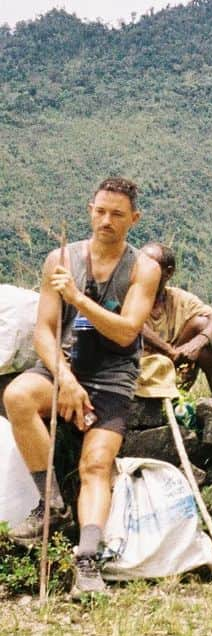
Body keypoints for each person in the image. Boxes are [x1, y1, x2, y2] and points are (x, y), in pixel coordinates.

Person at [4, 176, 161, 599]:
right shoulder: (60, 259)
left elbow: (127, 333)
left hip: (112, 376)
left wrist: (78, 297)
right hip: (64, 367)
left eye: (117, 214)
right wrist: (67, 380)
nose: (106, 221)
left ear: (134, 219)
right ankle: (50, 503)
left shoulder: (143, 269)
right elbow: (43, 331)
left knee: (96, 464)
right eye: (100, 211)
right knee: (17, 396)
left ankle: (88, 560)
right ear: (90, 209)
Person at [135, 243, 212, 400]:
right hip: (137, 374)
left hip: (173, 370)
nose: (142, 270)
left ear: (168, 273)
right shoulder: (128, 295)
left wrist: (195, 344)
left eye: (150, 265)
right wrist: (168, 350)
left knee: (202, 325)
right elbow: (132, 324)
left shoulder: (178, 298)